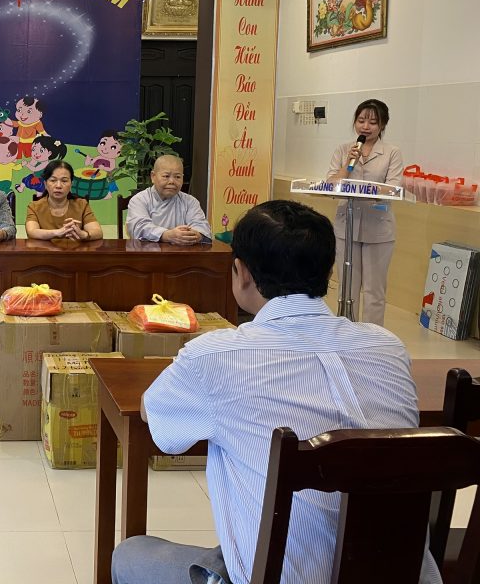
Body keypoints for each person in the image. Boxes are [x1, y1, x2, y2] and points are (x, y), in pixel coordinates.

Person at [111, 200, 440, 584]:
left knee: (130, 555)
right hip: (400, 573)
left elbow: (157, 418)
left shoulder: (216, 355)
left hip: (284, 576)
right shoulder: (388, 347)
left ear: (242, 273)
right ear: (327, 272)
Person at [325, 98, 403, 325]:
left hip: (378, 228)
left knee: (374, 291)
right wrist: (348, 164)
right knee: (346, 288)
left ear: (382, 125)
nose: (365, 127)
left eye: (372, 122)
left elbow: (393, 188)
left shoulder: (392, 152)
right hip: (346, 227)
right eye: (361, 121)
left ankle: (372, 337)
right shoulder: (343, 150)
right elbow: (331, 184)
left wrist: (366, 189)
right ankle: (347, 333)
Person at [126, 155, 211, 244]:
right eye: (166, 176)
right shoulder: (139, 200)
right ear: (153, 176)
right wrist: (167, 235)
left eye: (177, 177)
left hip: (181, 251)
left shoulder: (190, 202)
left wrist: (195, 235)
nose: (172, 181)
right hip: (147, 251)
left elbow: (202, 227)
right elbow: (139, 228)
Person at [25, 160, 103, 242]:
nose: (58, 186)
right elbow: (32, 232)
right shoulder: (34, 206)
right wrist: (57, 232)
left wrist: (83, 234)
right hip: (44, 250)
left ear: (71, 184)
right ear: (45, 184)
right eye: (53, 180)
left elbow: (98, 232)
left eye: (64, 181)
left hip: (75, 249)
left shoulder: (82, 204)